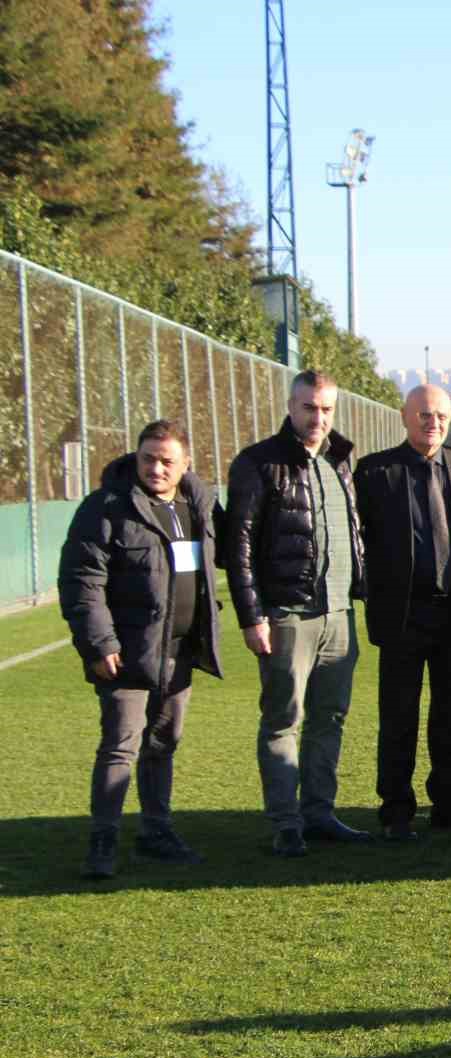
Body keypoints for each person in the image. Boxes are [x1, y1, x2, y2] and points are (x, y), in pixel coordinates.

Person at [60, 420, 225, 879]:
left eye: (167, 460)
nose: (156, 467)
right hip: (127, 653)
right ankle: (103, 841)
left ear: (185, 465)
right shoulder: (106, 508)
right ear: (136, 457)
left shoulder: (200, 506)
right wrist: (99, 642)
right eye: (148, 457)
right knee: (120, 746)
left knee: (164, 742)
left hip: (180, 650)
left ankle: (156, 831)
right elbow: (81, 582)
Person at [227, 369, 369, 858]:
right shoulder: (259, 463)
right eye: (309, 407)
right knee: (284, 718)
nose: (318, 417)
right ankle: (286, 822)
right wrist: (252, 616)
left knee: (330, 717)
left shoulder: (338, 462)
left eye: (326, 408)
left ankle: (320, 812)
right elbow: (239, 545)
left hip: (338, 613)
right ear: (290, 406)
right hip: (287, 614)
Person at [354, 385, 451, 843]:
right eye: (423, 414)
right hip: (403, 615)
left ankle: (450, 804)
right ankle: (395, 811)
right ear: (405, 416)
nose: (432, 422)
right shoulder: (376, 471)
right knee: (398, 715)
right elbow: (360, 544)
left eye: (440, 415)